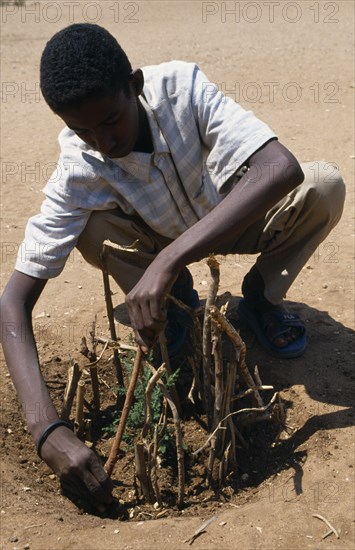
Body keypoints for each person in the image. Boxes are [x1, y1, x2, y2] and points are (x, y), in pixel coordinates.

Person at [0, 23, 345, 512]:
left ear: (135, 86)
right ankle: (176, 317)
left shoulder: (181, 90)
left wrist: (170, 257)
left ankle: (260, 300)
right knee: (93, 226)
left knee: (324, 186)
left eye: (111, 121)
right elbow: (12, 305)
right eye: (83, 130)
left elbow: (278, 167)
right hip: (156, 244)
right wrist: (45, 429)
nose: (101, 141)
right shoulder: (80, 164)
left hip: (231, 216)